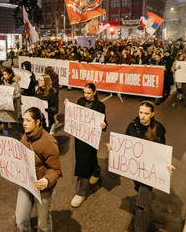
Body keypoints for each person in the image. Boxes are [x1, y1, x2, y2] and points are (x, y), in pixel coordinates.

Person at [108, 101, 175, 232]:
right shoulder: (132, 126)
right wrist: (114, 148)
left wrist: (167, 167)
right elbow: (125, 145)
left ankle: (140, 228)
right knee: (139, 189)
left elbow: (163, 153)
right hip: (136, 171)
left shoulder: (158, 130)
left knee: (141, 204)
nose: (142, 116)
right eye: (140, 112)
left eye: (146, 113)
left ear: (152, 114)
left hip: (149, 172)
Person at [15, 107, 61, 232]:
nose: (24, 123)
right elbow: (19, 155)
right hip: (27, 183)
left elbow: (55, 170)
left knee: (43, 225)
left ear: (38, 122)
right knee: (20, 221)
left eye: (28, 120)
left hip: (43, 188)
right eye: (23, 120)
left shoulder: (49, 142)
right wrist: (5, 160)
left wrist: (46, 181)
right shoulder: (25, 136)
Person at [64, 83, 107, 208]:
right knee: (87, 158)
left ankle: (80, 192)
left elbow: (104, 122)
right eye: (84, 92)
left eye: (88, 93)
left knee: (84, 162)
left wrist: (103, 125)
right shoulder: (80, 101)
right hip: (80, 137)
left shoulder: (100, 106)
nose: (86, 95)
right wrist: (68, 107)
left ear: (94, 92)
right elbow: (75, 116)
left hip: (91, 138)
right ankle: (97, 171)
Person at [0, 67, 22, 140]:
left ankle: (20, 134)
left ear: (10, 74)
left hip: (11, 107)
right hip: (4, 106)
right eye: (3, 74)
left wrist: (14, 97)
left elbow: (18, 94)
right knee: (4, 123)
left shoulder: (15, 84)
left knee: (12, 122)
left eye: (6, 74)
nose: (4, 76)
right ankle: (6, 139)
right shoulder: (3, 82)